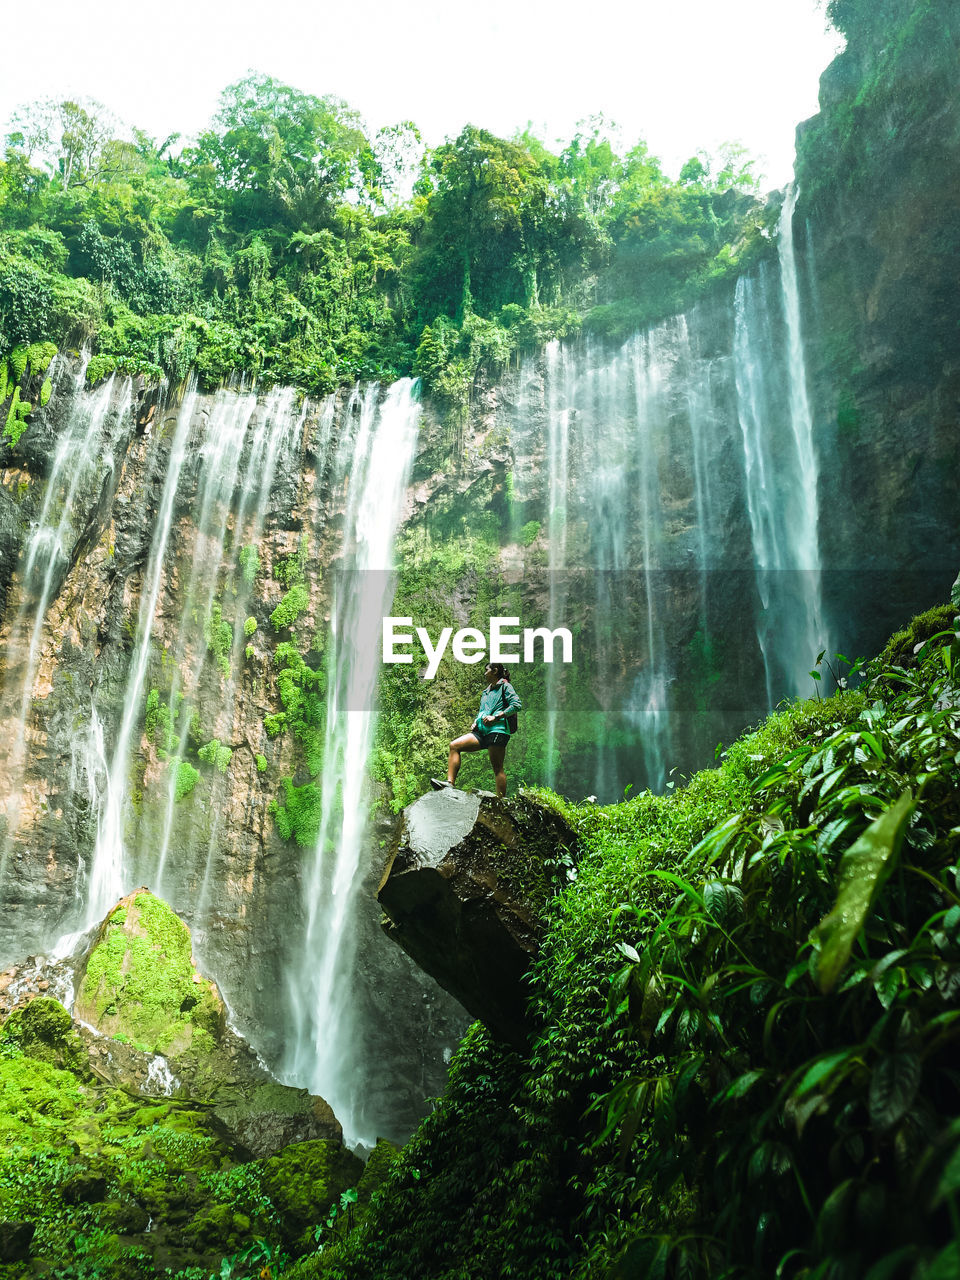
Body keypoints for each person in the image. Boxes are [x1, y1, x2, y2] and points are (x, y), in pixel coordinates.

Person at [433, 663, 521, 798]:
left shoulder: (505, 687)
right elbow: (483, 710)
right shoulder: (486, 691)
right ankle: (449, 783)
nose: (485, 673)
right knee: (454, 746)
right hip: (482, 731)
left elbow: (516, 704)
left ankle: (501, 801)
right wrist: (476, 722)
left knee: (497, 768)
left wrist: (496, 717)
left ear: (495, 671)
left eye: (487, 670)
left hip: (498, 730)